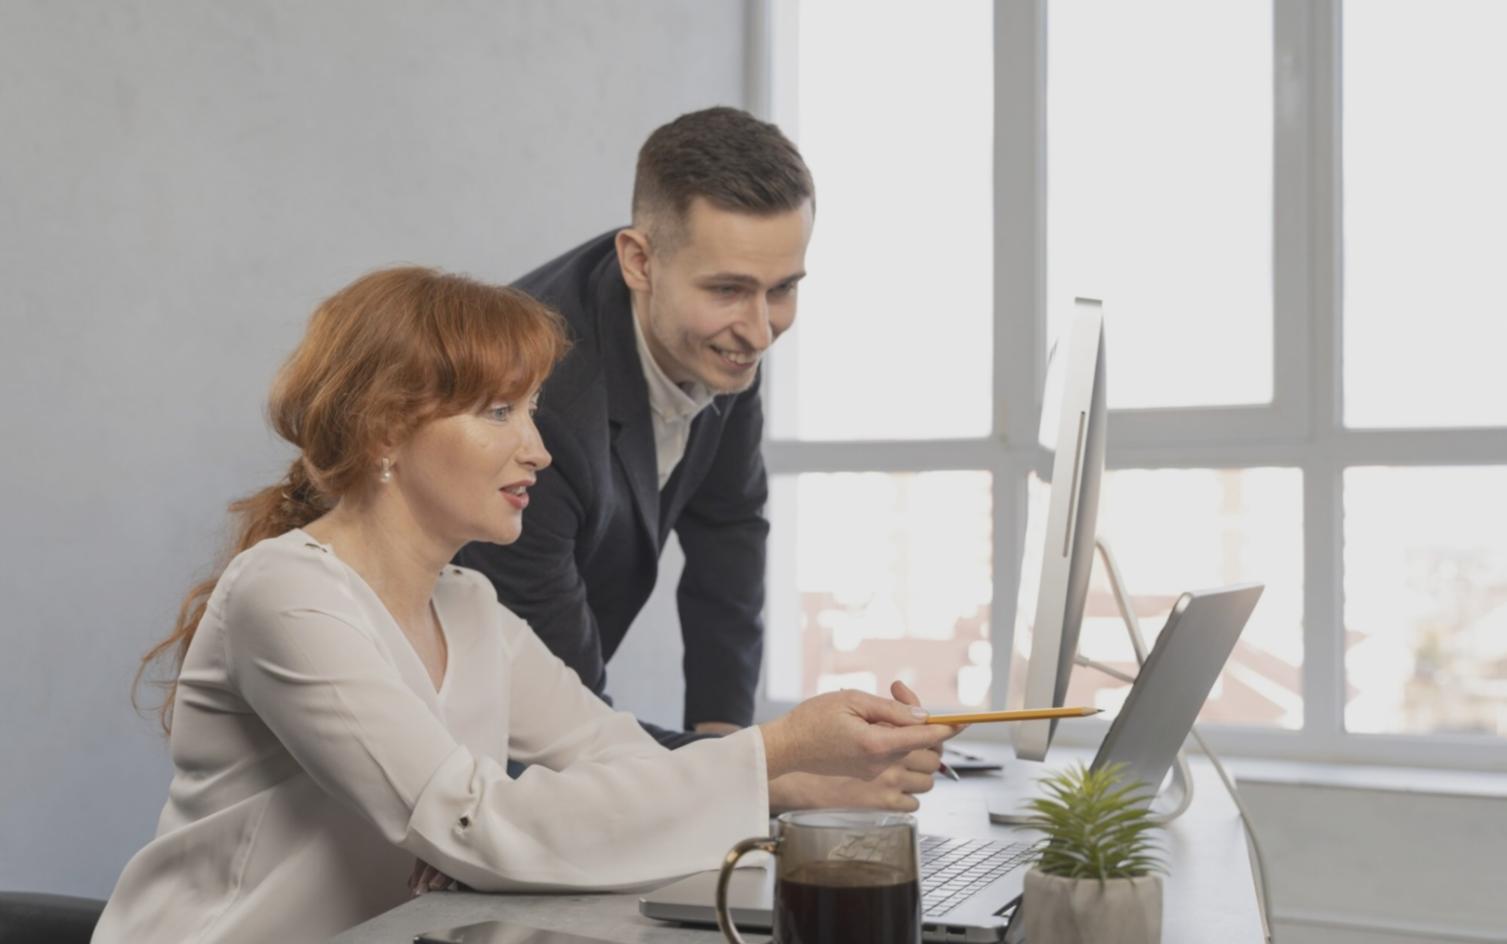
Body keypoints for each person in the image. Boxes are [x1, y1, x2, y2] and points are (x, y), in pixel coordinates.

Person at [96, 268, 957, 943]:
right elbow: (469, 820)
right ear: (386, 431)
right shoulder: (287, 594)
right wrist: (771, 750)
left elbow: (610, 757)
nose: (538, 449)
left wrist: (790, 779)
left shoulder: (469, 606)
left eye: (534, 410)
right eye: (499, 411)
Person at [456, 107, 937, 810]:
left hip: (551, 729)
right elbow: (571, 731)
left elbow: (729, 531)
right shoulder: (540, 402)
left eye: (784, 289)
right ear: (639, 260)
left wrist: (728, 741)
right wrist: (767, 779)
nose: (760, 328)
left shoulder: (720, 339)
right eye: (728, 289)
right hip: (456, 734)